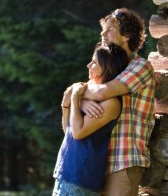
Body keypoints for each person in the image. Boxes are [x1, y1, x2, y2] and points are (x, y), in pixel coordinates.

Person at [80, 8, 156, 196]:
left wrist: (77, 93)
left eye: (110, 29)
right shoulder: (105, 66)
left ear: (126, 36)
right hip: (97, 159)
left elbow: (102, 92)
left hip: (124, 160)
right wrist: (81, 101)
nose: (103, 34)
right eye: (103, 29)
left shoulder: (140, 67)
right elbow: (85, 96)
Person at [53, 43, 129, 196]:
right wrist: (68, 105)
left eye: (94, 62)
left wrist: (75, 98)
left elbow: (78, 132)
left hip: (80, 177)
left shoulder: (111, 103)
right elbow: (67, 130)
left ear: (107, 67)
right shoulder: (86, 92)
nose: (88, 65)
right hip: (66, 173)